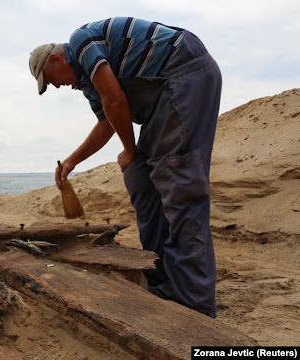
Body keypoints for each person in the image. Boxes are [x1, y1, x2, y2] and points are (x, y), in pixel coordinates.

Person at [29, 17, 221, 318]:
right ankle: (164, 279)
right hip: (162, 100)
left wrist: (130, 150)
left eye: (51, 79)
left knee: (179, 183)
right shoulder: (87, 83)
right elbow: (106, 123)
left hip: (184, 75)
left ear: (55, 58)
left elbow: (116, 101)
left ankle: (194, 298)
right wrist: (72, 161)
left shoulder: (82, 42)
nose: (56, 86)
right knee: (140, 178)